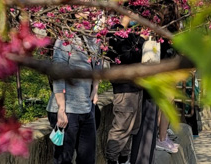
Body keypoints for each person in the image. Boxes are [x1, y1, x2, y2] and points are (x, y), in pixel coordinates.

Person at [48, 33, 101, 164]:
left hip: (87, 108)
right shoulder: (65, 39)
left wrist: (95, 89)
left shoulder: (96, 39)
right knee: (63, 159)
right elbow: (58, 73)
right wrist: (61, 108)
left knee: (88, 159)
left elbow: (98, 64)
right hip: (67, 109)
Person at [105, 20, 144, 164]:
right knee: (121, 128)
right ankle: (112, 159)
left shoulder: (132, 33)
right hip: (124, 89)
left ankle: (123, 159)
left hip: (136, 87)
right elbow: (127, 57)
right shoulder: (116, 34)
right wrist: (142, 41)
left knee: (132, 128)